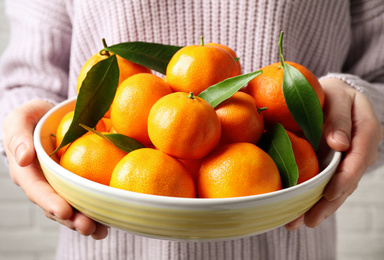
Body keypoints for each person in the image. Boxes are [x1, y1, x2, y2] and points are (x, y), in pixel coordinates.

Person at [0, 0, 383, 259]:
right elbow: (30, 74)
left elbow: (378, 76)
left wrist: (357, 102)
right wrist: (23, 122)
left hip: (286, 240)